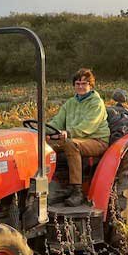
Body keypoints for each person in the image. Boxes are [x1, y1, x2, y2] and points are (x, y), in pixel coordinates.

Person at [48, 68, 110, 206]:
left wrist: (68, 133)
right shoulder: (70, 103)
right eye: (77, 84)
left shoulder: (96, 103)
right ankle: (48, 185)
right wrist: (42, 130)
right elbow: (57, 121)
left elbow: (89, 126)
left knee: (71, 144)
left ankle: (77, 190)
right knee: (44, 144)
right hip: (74, 137)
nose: (80, 87)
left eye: (84, 84)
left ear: (91, 85)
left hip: (96, 140)